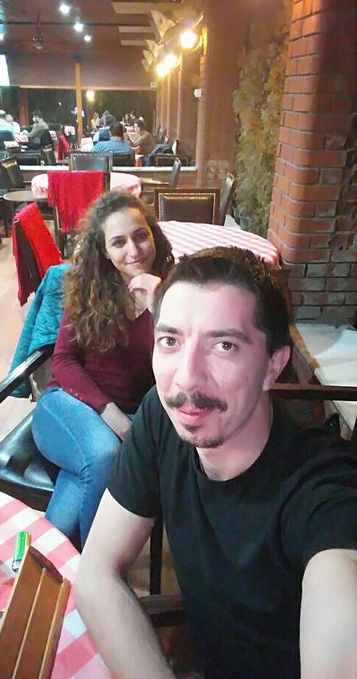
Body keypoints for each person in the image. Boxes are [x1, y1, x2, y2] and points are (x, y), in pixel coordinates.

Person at [75, 247, 357, 679]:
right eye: (170, 341)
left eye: (224, 345)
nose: (187, 377)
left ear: (273, 365)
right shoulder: (162, 418)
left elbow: (341, 597)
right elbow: (95, 573)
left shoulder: (322, 492)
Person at [32, 191, 174, 548]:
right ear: (105, 251)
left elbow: (178, 366)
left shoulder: (175, 291)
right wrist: (115, 418)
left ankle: (46, 568)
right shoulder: (88, 288)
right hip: (66, 404)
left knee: (70, 509)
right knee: (105, 455)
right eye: (119, 242)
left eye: (140, 235)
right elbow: (63, 361)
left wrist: (159, 305)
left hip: (129, 416)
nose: (134, 250)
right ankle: (97, 568)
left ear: (153, 234)